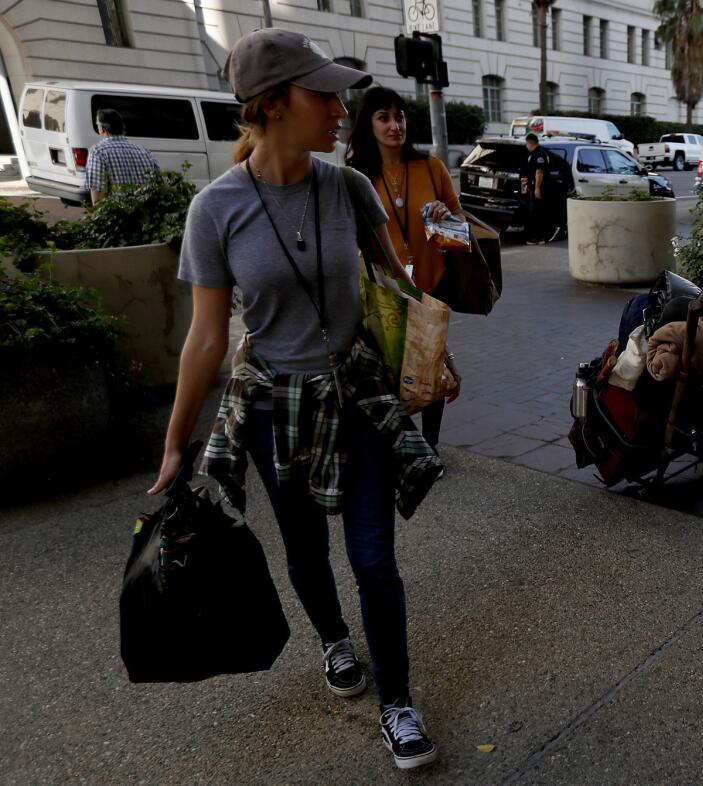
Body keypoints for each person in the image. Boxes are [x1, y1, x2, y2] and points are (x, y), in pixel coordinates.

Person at [146, 28, 445, 770]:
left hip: (358, 396)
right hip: (276, 407)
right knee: (305, 546)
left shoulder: (347, 187)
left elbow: (396, 289)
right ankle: (334, 640)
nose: (341, 107)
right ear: (273, 106)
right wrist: (176, 441)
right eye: (324, 94)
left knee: (374, 556)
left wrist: (433, 357)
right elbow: (207, 339)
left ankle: (399, 703)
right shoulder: (215, 211)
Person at [345, 86, 463, 449]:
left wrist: (445, 220)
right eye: (384, 118)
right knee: (390, 371)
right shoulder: (355, 174)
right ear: (369, 124)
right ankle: (397, 446)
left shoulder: (431, 167)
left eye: (400, 116)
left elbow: (459, 235)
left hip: (431, 283)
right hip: (383, 289)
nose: (395, 125)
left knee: (431, 367)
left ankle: (430, 447)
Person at [85, 108, 160, 203]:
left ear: (102, 129)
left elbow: (97, 190)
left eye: (97, 125)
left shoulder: (98, 152)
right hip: (144, 212)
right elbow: (159, 183)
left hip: (117, 214)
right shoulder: (143, 151)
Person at [522, 132, 560, 244]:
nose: (526, 146)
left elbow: (539, 172)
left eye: (526, 144)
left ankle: (537, 238)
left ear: (530, 143)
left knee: (536, 214)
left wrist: (537, 189)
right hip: (535, 188)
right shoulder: (536, 153)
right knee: (537, 213)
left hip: (540, 188)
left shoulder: (539, 155)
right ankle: (539, 237)